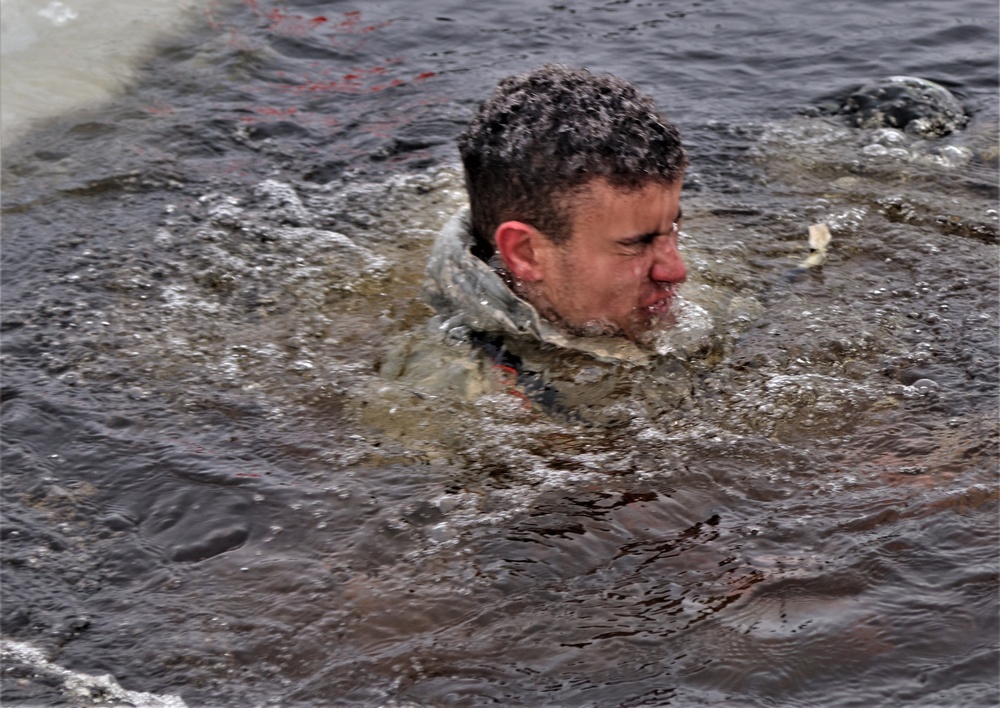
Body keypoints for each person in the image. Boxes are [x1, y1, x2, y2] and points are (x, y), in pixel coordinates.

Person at [424, 64, 690, 364]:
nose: (677, 272)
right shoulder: (460, 395)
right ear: (526, 254)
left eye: (674, 227)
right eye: (637, 244)